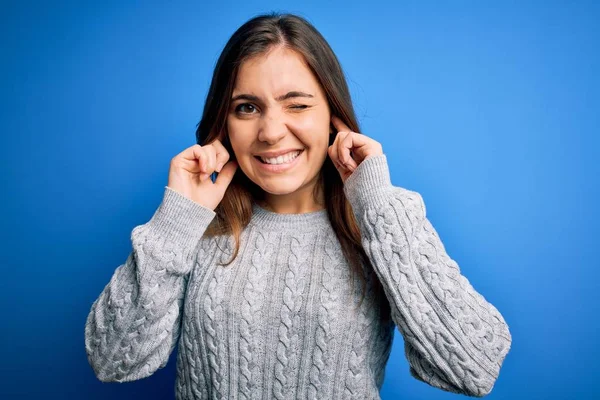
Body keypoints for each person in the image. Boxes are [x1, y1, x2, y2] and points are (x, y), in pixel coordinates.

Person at [84, 12, 512, 399]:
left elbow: (474, 368)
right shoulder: (195, 227)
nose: (271, 132)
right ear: (224, 123)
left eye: (297, 104)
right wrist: (176, 221)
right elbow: (114, 360)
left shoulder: (377, 227)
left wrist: (379, 208)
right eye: (247, 107)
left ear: (332, 115)